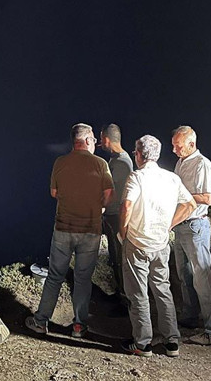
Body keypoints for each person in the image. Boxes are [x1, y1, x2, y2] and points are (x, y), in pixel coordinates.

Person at [26, 123, 114, 338]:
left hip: (63, 229)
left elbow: (54, 192)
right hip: (90, 230)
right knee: (83, 279)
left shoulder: (60, 162)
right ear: (85, 140)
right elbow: (109, 195)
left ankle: (41, 321)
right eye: (93, 139)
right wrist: (95, 206)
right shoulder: (101, 164)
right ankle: (78, 326)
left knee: (55, 276)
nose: (95, 143)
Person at [119, 135, 196, 358]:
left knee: (138, 294)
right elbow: (190, 204)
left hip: (137, 243)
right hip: (161, 243)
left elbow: (126, 206)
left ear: (139, 155)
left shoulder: (137, 177)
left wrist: (124, 234)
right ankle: (172, 341)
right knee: (163, 289)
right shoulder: (171, 179)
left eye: (135, 152)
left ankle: (142, 344)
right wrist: (169, 225)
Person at [170, 126, 211, 346]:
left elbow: (207, 198)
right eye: (173, 145)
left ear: (191, 144)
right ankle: (190, 317)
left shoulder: (202, 165)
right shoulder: (181, 162)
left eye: (178, 146)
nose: (174, 150)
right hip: (181, 225)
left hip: (196, 226)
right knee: (184, 274)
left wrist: (180, 195)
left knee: (202, 278)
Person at [99, 123, 134, 299]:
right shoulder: (117, 159)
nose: (100, 143)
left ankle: (125, 298)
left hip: (116, 217)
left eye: (100, 139)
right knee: (116, 258)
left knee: (120, 260)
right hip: (113, 215)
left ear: (106, 139)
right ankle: (123, 295)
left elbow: (111, 191)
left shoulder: (120, 162)